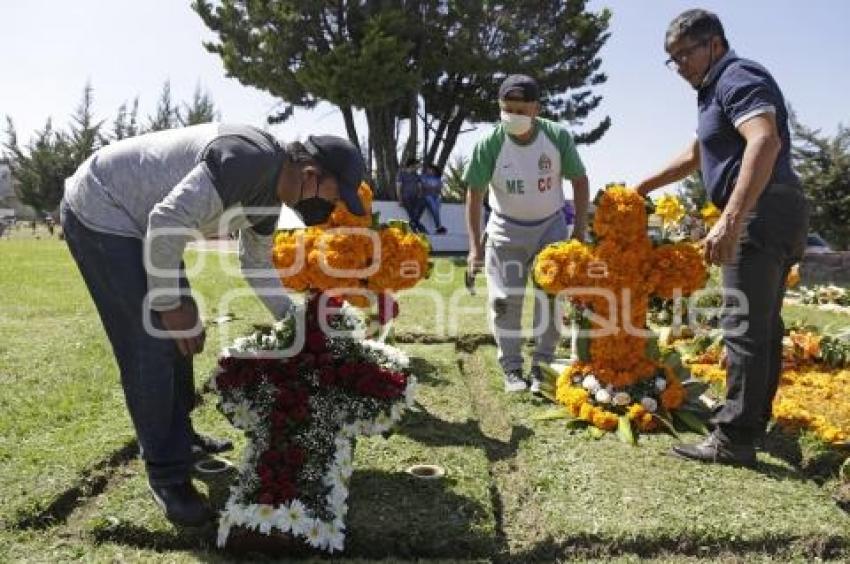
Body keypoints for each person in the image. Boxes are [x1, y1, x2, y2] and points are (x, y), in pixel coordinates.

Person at [60, 124, 368, 525]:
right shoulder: (249, 162)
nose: (330, 208)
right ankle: (167, 475)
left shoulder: (270, 199)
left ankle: (181, 437)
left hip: (148, 226)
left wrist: (301, 324)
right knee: (152, 339)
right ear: (311, 174)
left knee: (180, 339)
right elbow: (166, 219)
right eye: (333, 196)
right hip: (102, 207)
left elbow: (256, 267)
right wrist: (171, 304)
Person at [634, 9, 808, 467]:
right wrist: (641, 188)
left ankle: (732, 439)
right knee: (763, 327)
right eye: (672, 60)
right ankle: (753, 424)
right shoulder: (713, 91)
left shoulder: (737, 75)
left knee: (743, 327)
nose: (680, 67)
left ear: (714, 43)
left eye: (685, 54)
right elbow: (697, 153)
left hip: (762, 211)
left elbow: (764, 141)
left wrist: (731, 219)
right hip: (777, 209)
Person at [464, 74, 589, 394]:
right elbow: (475, 194)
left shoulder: (557, 137)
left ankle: (542, 365)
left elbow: (579, 180)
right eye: (506, 109)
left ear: (536, 108)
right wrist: (474, 248)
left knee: (550, 300)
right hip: (505, 230)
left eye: (520, 110)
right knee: (505, 301)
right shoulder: (489, 143)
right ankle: (512, 368)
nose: (512, 117)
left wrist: (579, 233)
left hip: (551, 228)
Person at [396, 157, 426, 233]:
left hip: (416, 198)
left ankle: (413, 223)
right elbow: (398, 187)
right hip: (406, 197)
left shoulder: (416, 175)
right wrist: (400, 199)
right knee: (412, 212)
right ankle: (419, 227)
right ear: (412, 165)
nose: (419, 167)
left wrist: (420, 194)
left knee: (423, 203)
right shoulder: (401, 173)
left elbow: (420, 187)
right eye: (417, 165)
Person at [420, 163, 447, 234]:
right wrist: (433, 187)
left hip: (436, 196)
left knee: (436, 210)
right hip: (427, 196)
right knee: (434, 208)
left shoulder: (437, 178)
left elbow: (439, 188)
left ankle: (438, 227)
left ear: (434, 170)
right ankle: (439, 227)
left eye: (431, 169)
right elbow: (425, 187)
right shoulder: (423, 177)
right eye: (428, 169)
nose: (429, 170)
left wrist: (432, 187)